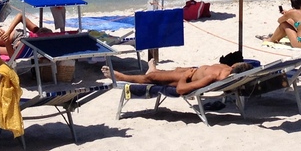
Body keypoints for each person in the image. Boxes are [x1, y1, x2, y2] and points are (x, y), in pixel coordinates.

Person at [104, 59, 254, 96]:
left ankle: (121, 76)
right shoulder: (226, 70)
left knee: (152, 78)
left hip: (186, 78)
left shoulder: (214, 76)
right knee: (173, 70)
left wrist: (186, 76)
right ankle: (155, 69)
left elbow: (182, 89)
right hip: (191, 72)